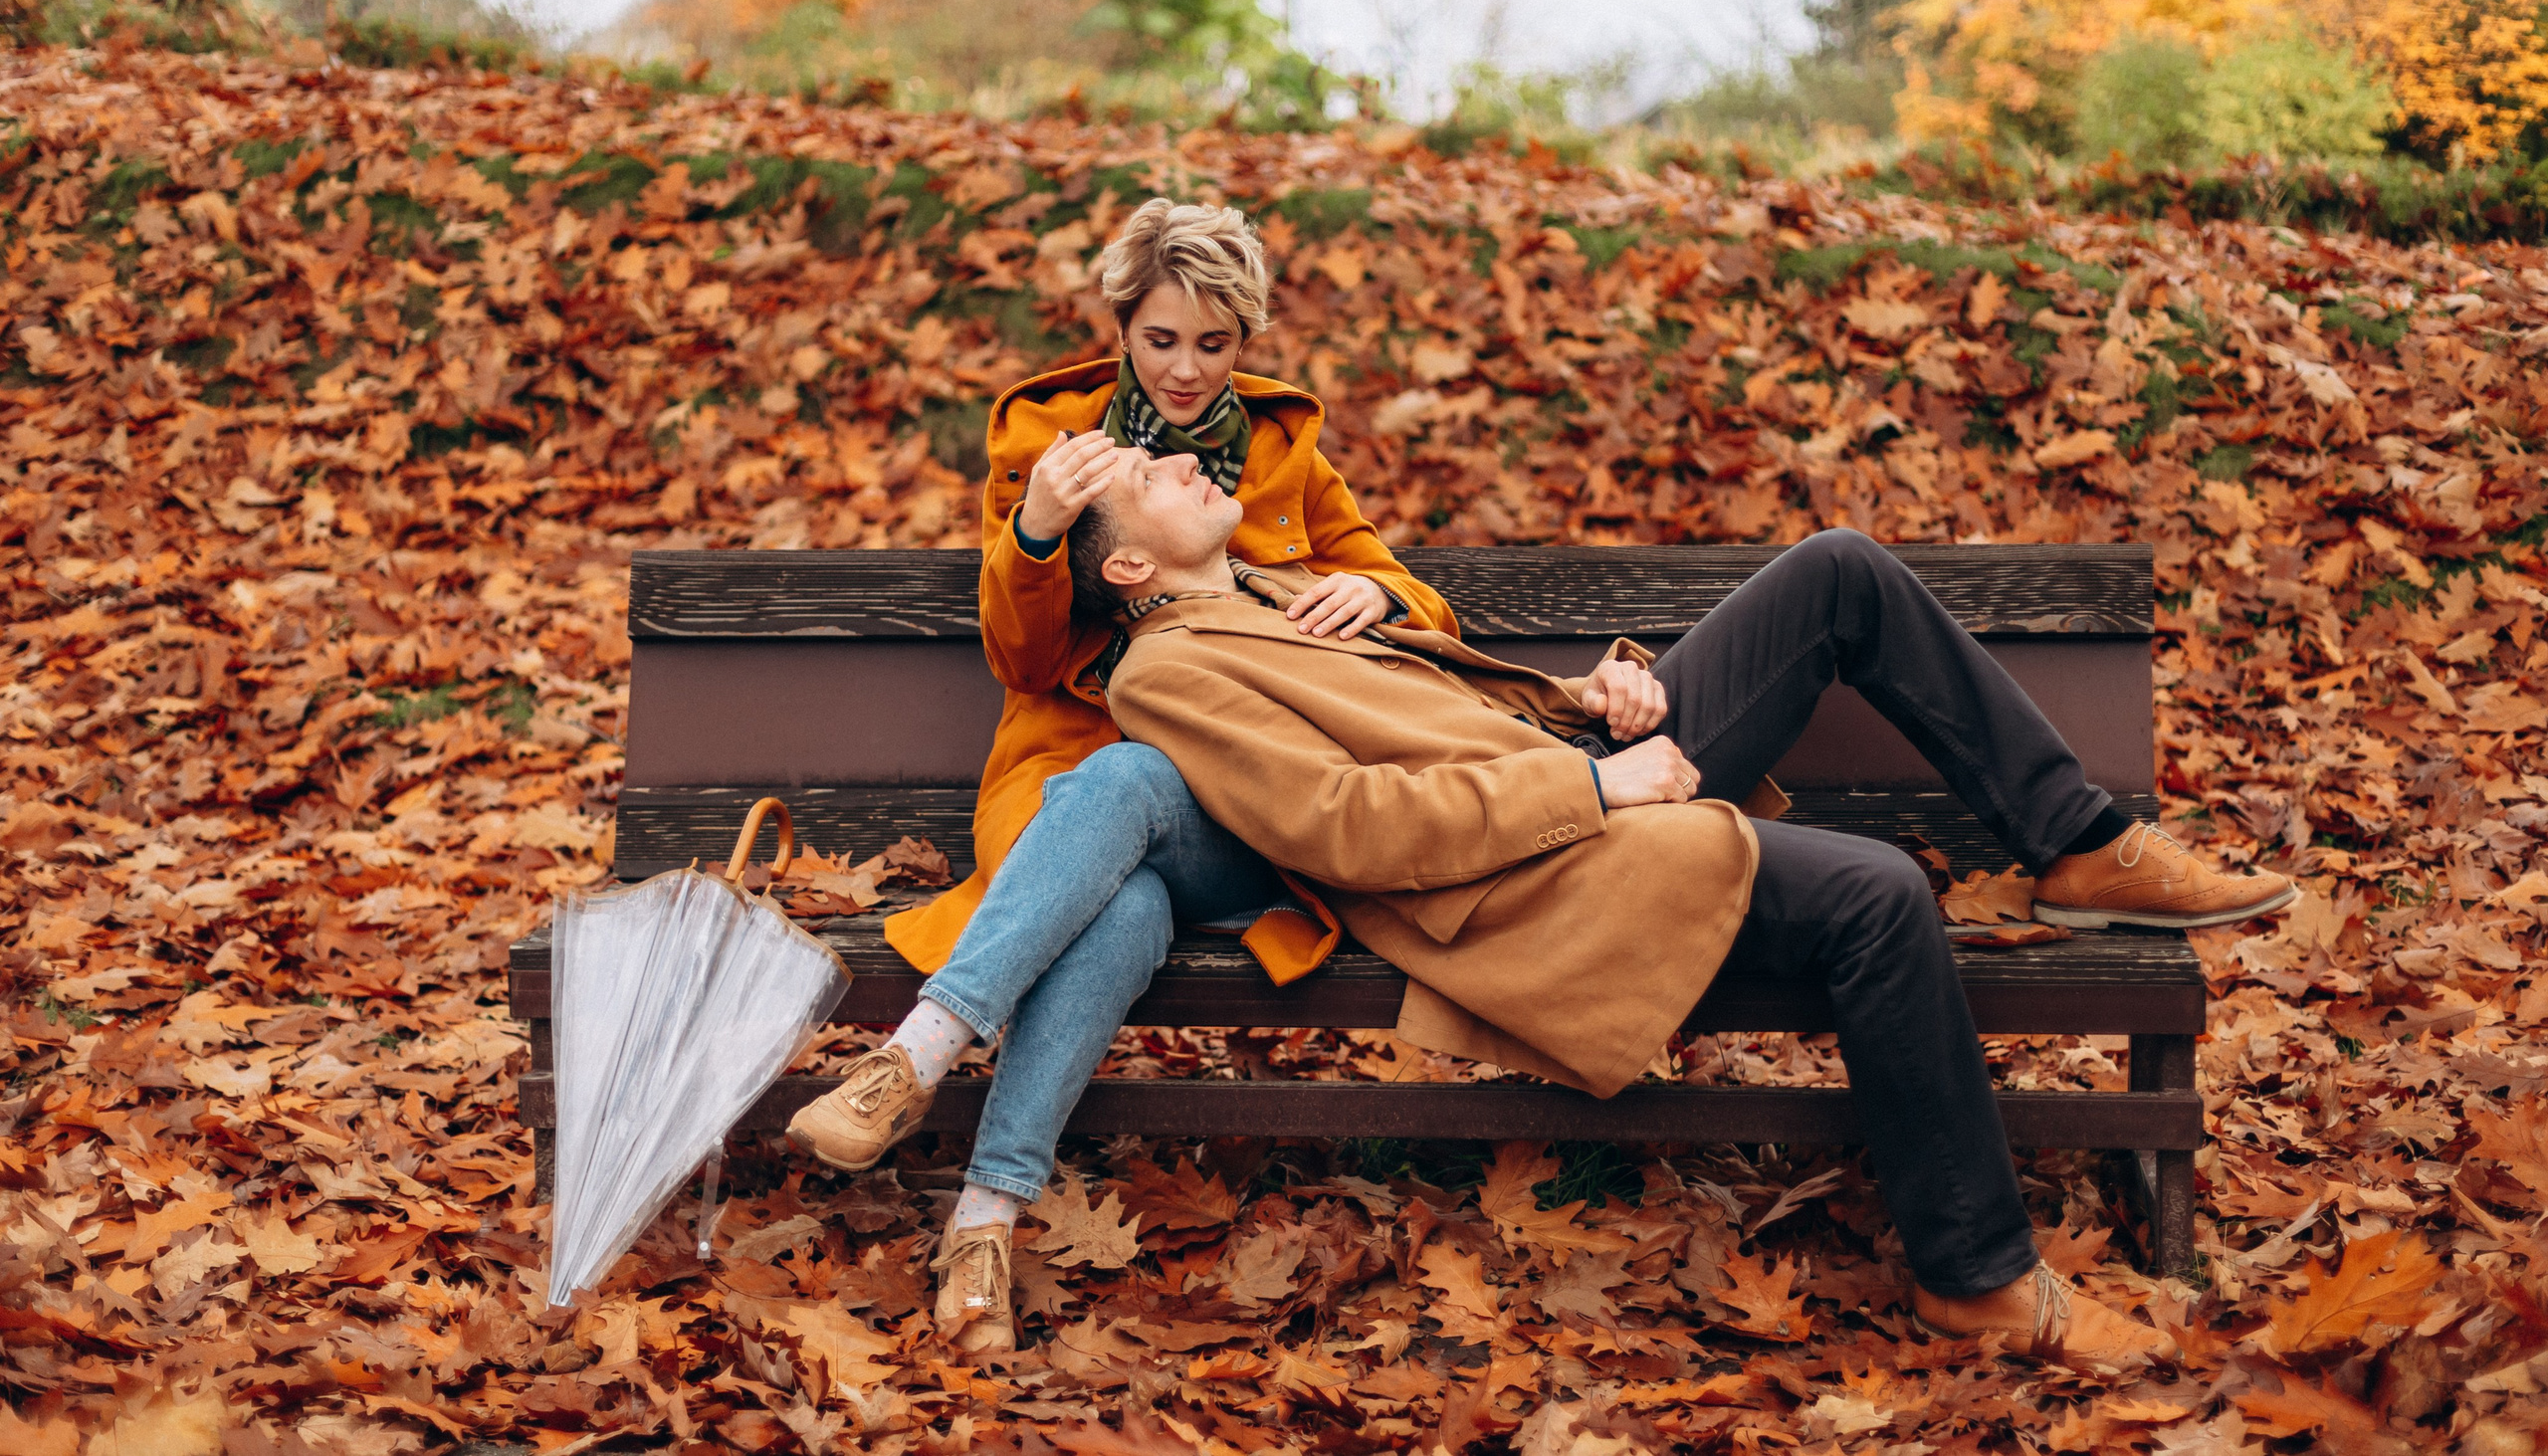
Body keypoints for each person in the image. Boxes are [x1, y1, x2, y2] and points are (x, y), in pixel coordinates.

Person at [1072, 448, 2294, 1364]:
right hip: (1529, 879)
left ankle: (2078, 844)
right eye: (1155, 474)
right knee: (1877, 896)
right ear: (1128, 564)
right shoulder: (1168, 670)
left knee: (1840, 571)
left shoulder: (1285, 597)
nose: (1190, 459)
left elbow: (1447, 729)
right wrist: (1594, 784)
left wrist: (1586, 703)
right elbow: (1346, 826)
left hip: (1575, 779)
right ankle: (1972, 1272)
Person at [783, 199, 1454, 1352]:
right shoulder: (1055, 448)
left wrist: (1382, 595)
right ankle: (987, 1220)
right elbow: (1025, 659)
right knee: (1124, 892)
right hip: (1074, 783)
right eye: (1161, 339)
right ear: (1122, 329)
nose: (1187, 369)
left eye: (1215, 343)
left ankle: (918, 1055)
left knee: (1139, 791)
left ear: (1245, 340)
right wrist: (1037, 535)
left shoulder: (1283, 459)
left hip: (1252, 799)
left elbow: (1420, 606)